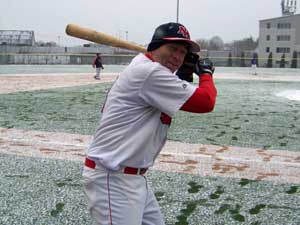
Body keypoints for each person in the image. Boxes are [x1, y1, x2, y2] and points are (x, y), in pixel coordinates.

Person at [83, 22, 217, 225]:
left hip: (132, 177)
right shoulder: (149, 72)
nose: (178, 57)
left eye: (183, 52)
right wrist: (205, 73)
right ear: (155, 46)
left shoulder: (145, 66)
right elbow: (205, 102)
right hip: (112, 177)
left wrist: (183, 75)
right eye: (172, 48)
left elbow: (169, 86)